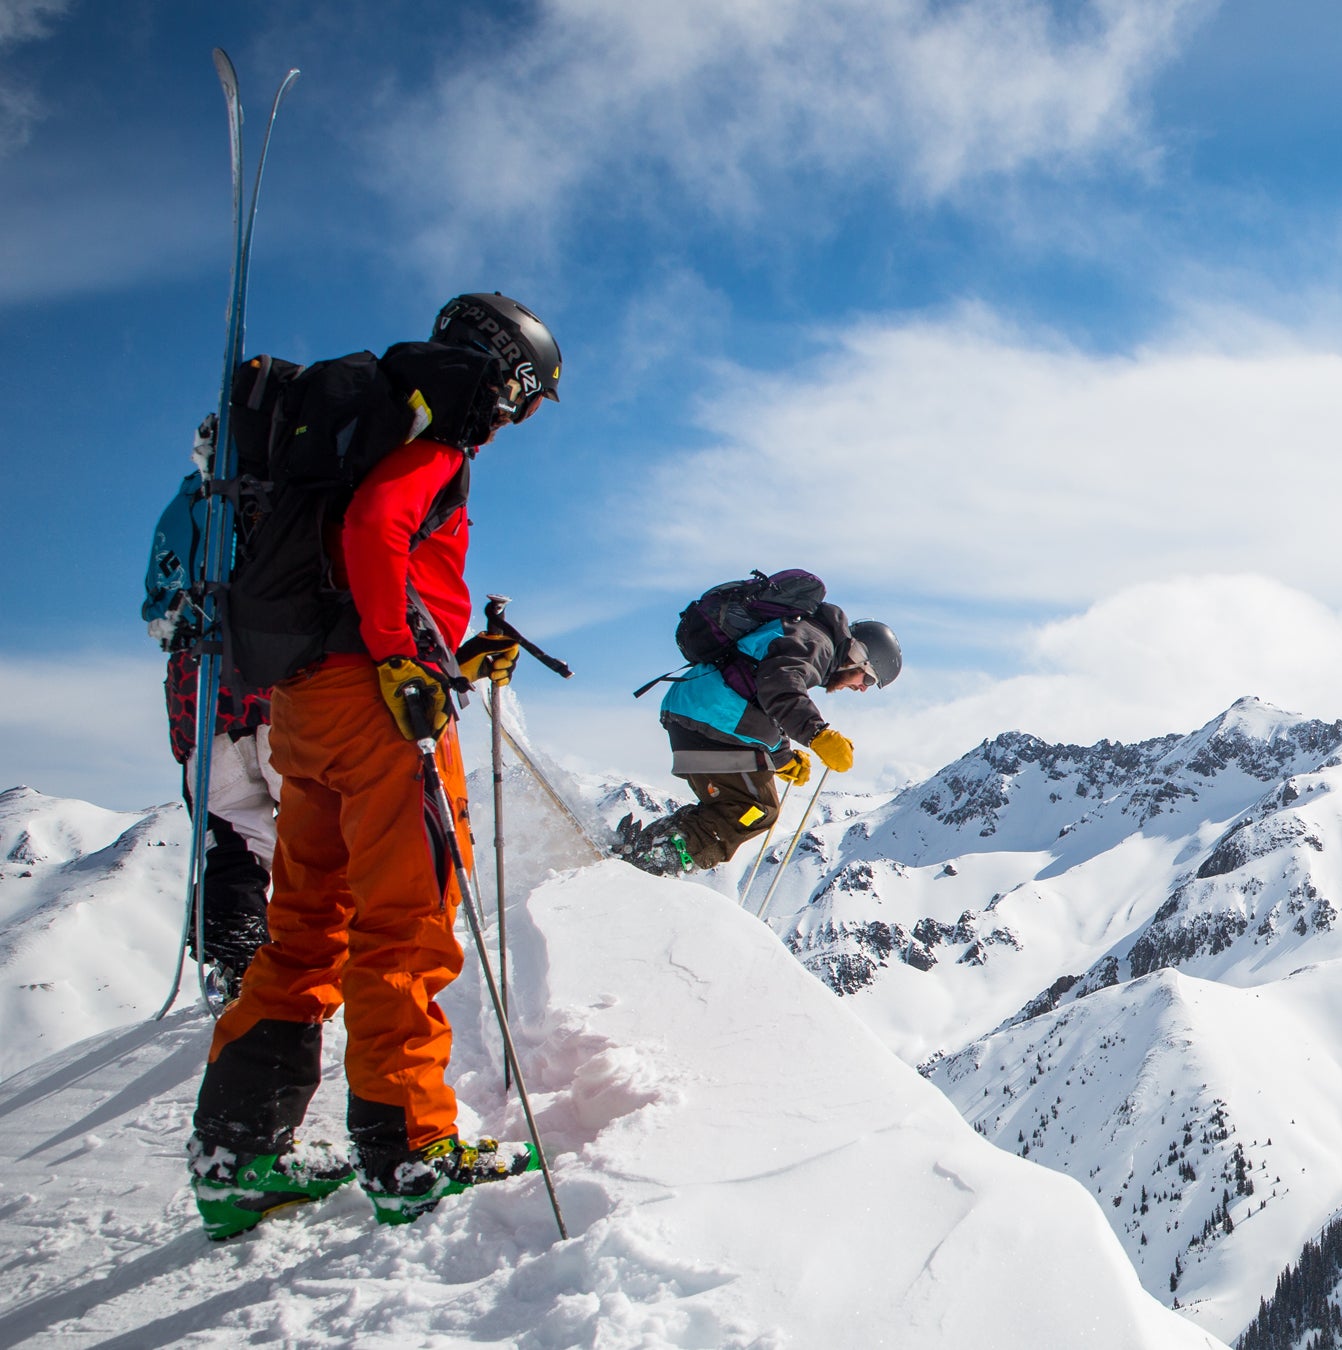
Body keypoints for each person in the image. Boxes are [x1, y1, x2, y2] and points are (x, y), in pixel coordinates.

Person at [187, 293, 557, 1239]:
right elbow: (375, 534)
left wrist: (446, 657)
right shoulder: (436, 435)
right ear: (504, 373)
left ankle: (238, 1153)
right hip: (382, 710)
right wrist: (400, 656)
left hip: (305, 704)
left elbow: (361, 561)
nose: (515, 421)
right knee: (406, 924)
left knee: (306, 923)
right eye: (527, 399)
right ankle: (409, 1150)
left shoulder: (362, 426)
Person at [615, 582, 900, 876]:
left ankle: (647, 847)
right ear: (859, 657)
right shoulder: (818, 644)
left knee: (736, 806)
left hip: (699, 709)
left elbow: (761, 695)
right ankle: (652, 858)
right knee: (756, 809)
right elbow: (779, 688)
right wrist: (818, 734)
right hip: (713, 716)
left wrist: (782, 756)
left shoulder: (803, 635)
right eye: (867, 680)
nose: (861, 689)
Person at [144, 459, 278, 1001]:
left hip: (200, 698)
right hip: (280, 687)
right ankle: (321, 956)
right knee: (315, 829)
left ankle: (239, 963)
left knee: (232, 836)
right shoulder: (292, 498)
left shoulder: (184, 512)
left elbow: (158, 610)